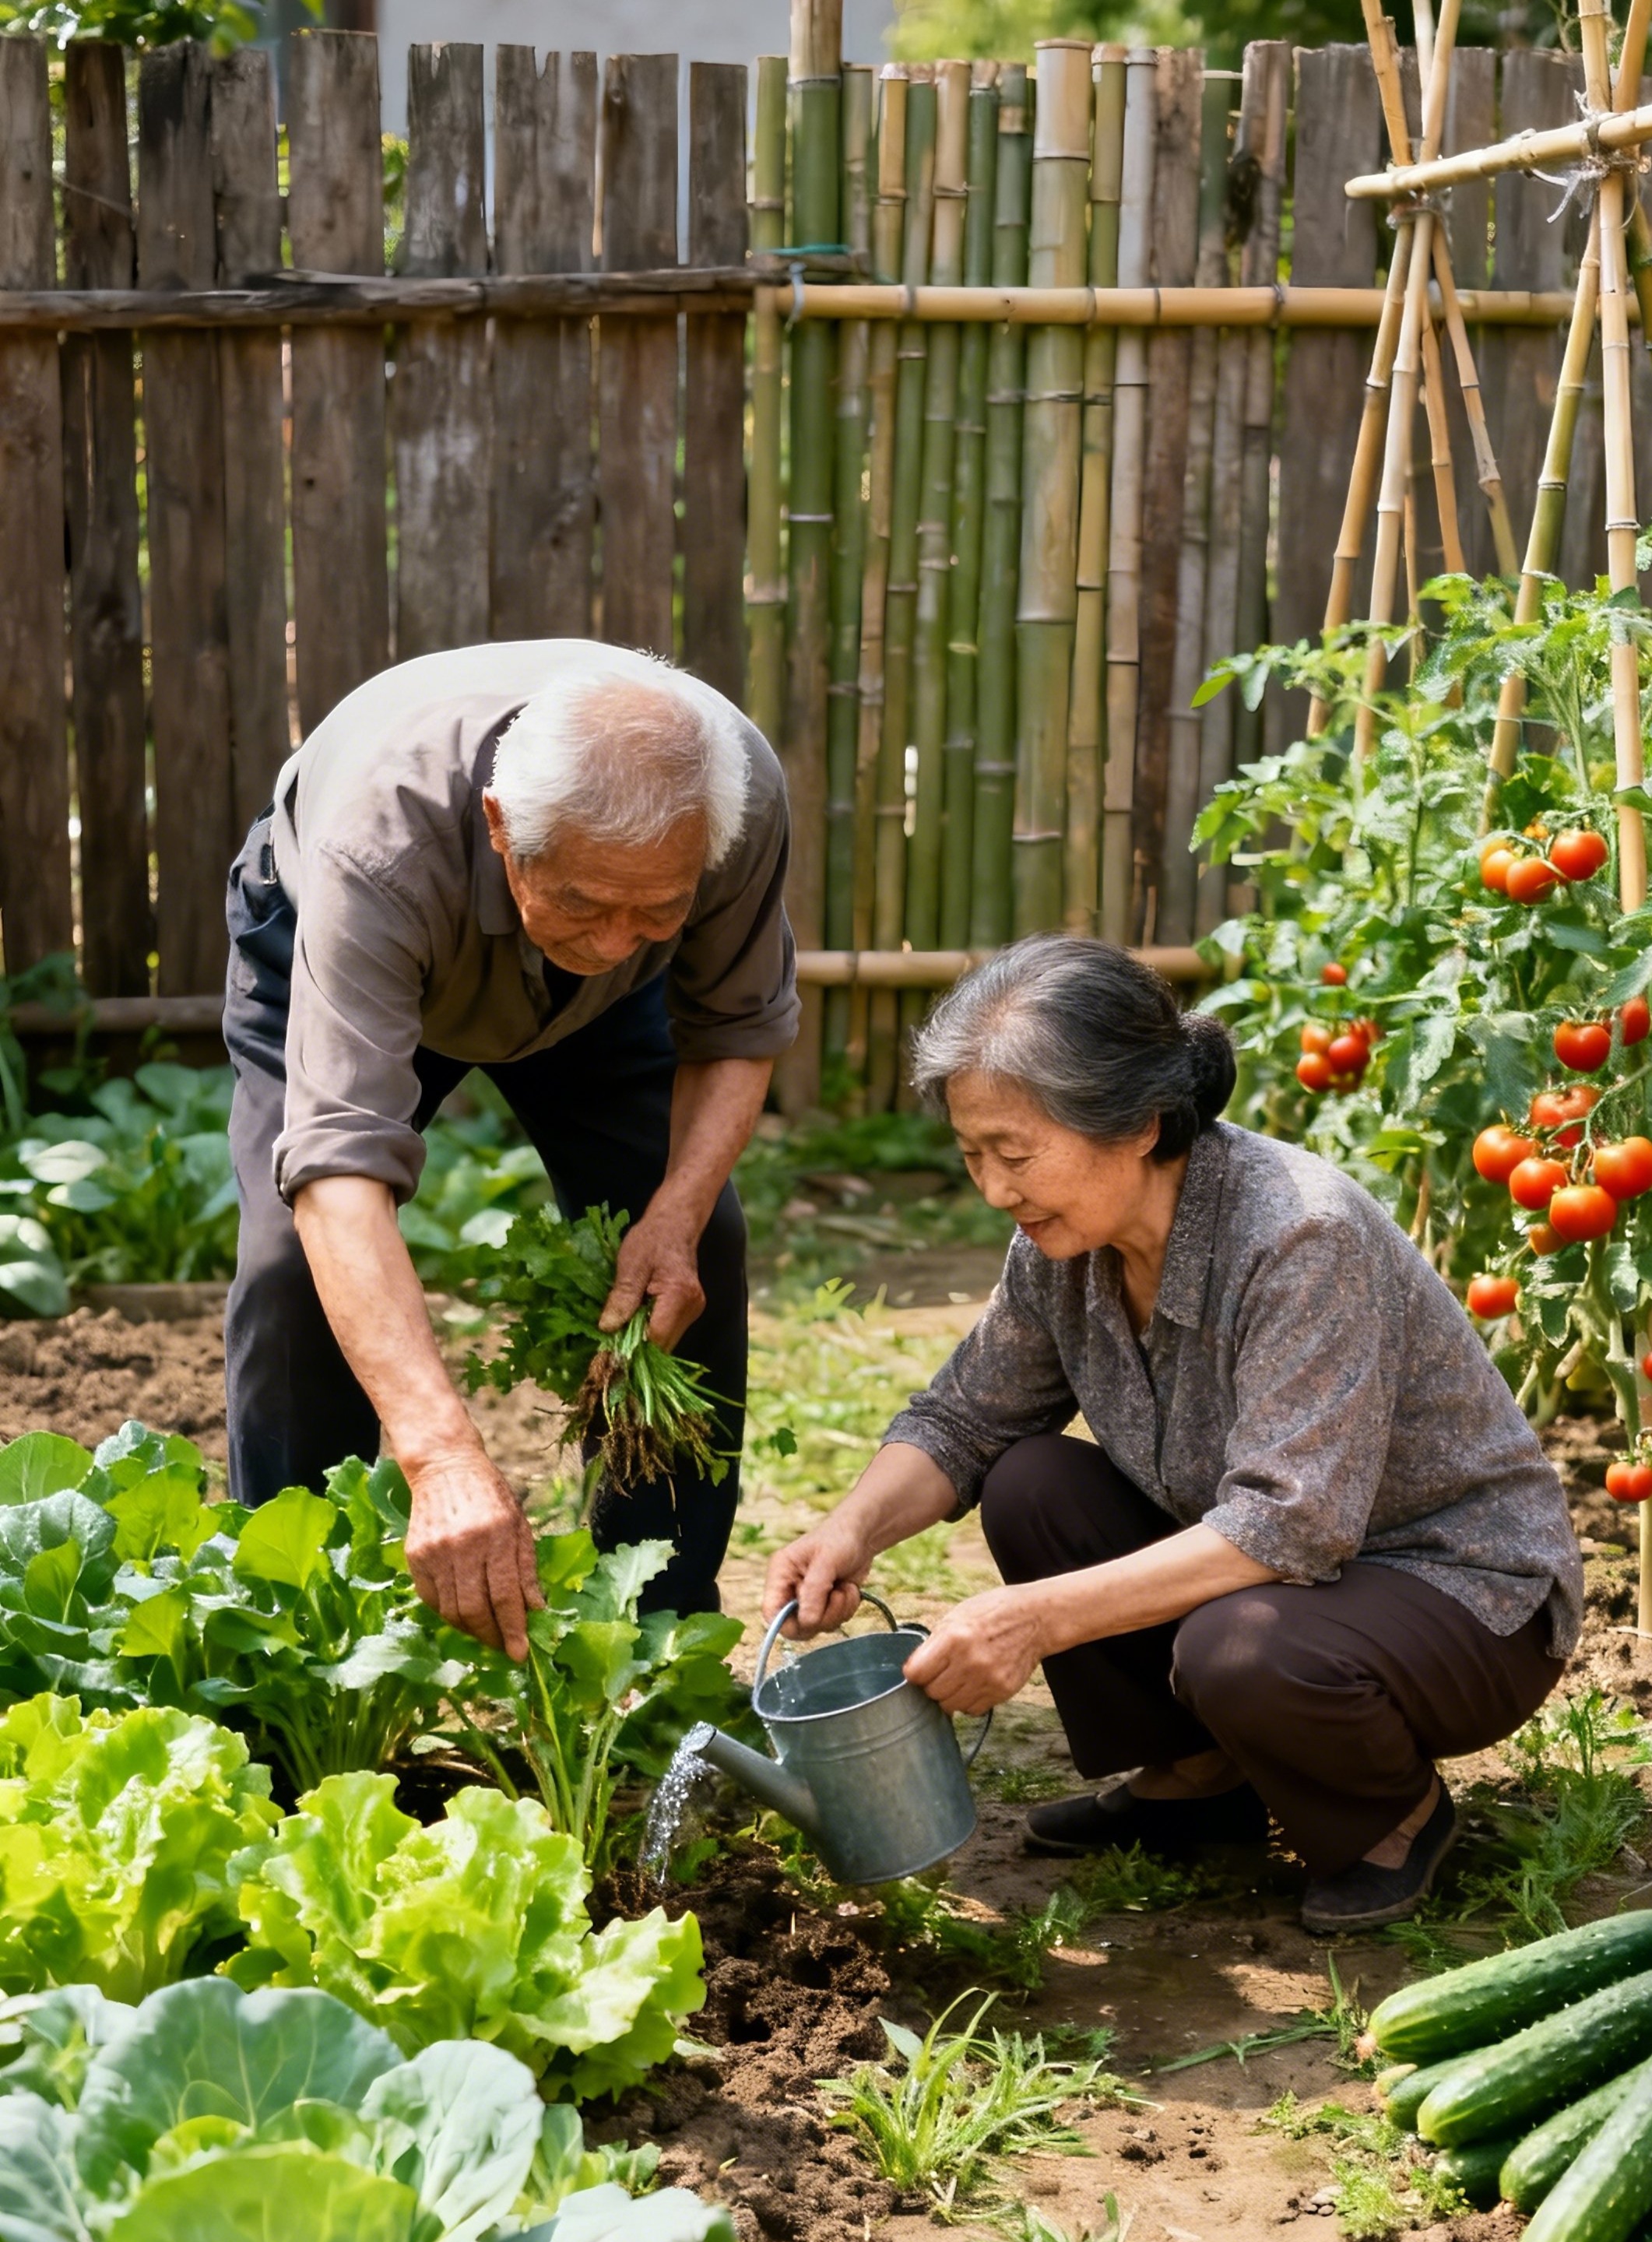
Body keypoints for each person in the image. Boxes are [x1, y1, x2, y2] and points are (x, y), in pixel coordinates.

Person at [765, 937, 1583, 1935]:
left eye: (1015, 1154)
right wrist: (851, 1531)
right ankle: (1201, 1779)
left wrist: (1032, 1619)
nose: (993, 1189)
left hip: (1459, 1595)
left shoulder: (1295, 1235)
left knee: (1235, 1646)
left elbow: (1290, 1527)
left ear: (1138, 1124)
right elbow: (966, 1416)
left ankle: (1389, 1816)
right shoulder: (1062, 1242)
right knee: (1029, 1480)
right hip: (1296, 1571)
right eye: (973, 1154)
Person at [224, 639, 796, 1656]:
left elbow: (738, 1029)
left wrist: (673, 1215)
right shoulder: (381, 843)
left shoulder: (732, 802)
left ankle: (655, 1643)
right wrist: (441, 1455)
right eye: (585, 901)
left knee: (697, 1252)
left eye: (655, 911)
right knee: (291, 1271)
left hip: (605, 1018)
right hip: (360, 934)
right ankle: (298, 1644)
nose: (619, 935)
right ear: (502, 828)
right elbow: (338, 1172)